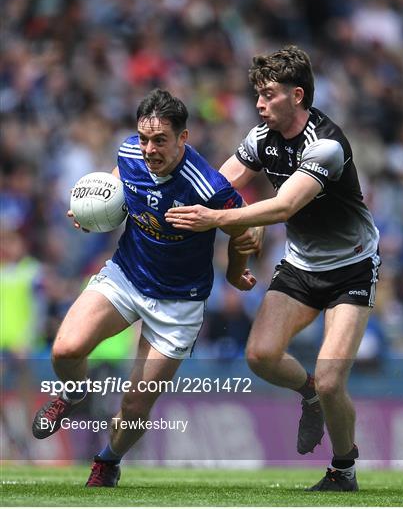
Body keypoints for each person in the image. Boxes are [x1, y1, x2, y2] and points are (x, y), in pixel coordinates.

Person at [165, 45, 381, 492]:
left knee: (331, 376)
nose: (259, 103)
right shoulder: (260, 139)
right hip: (302, 266)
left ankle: (343, 470)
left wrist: (218, 219)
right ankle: (309, 398)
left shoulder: (327, 145)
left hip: (352, 268)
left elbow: (283, 206)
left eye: (267, 94)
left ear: (296, 95)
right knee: (260, 356)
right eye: (256, 94)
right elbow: (217, 186)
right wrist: (151, 197)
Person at [32, 89, 256, 486]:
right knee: (65, 349)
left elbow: (243, 231)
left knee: (134, 405)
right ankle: (73, 392)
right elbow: (117, 187)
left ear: (183, 138)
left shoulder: (209, 187)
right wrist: (94, 212)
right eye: (144, 138)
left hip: (178, 303)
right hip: (126, 276)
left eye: (160, 140)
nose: (149, 149)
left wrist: (236, 273)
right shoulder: (129, 152)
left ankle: (108, 460)